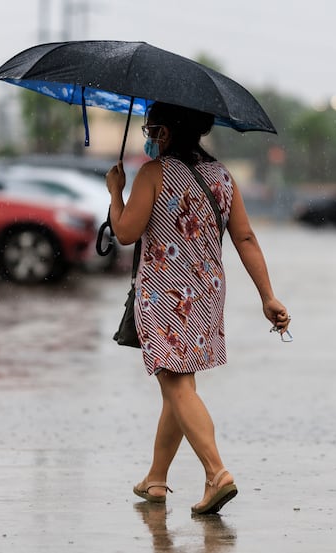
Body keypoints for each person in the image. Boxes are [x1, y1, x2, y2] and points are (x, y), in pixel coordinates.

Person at [106, 101, 290, 515]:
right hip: (206, 293)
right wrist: (268, 296)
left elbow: (125, 232)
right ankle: (156, 479)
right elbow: (245, 239)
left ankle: (216, 473)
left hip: (165, 292)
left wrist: (116, 193)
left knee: (175, 385)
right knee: (180, 385)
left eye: (151, 130)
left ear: (166, 133)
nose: (149, 137)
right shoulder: (223, 177)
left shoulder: (154, 174)